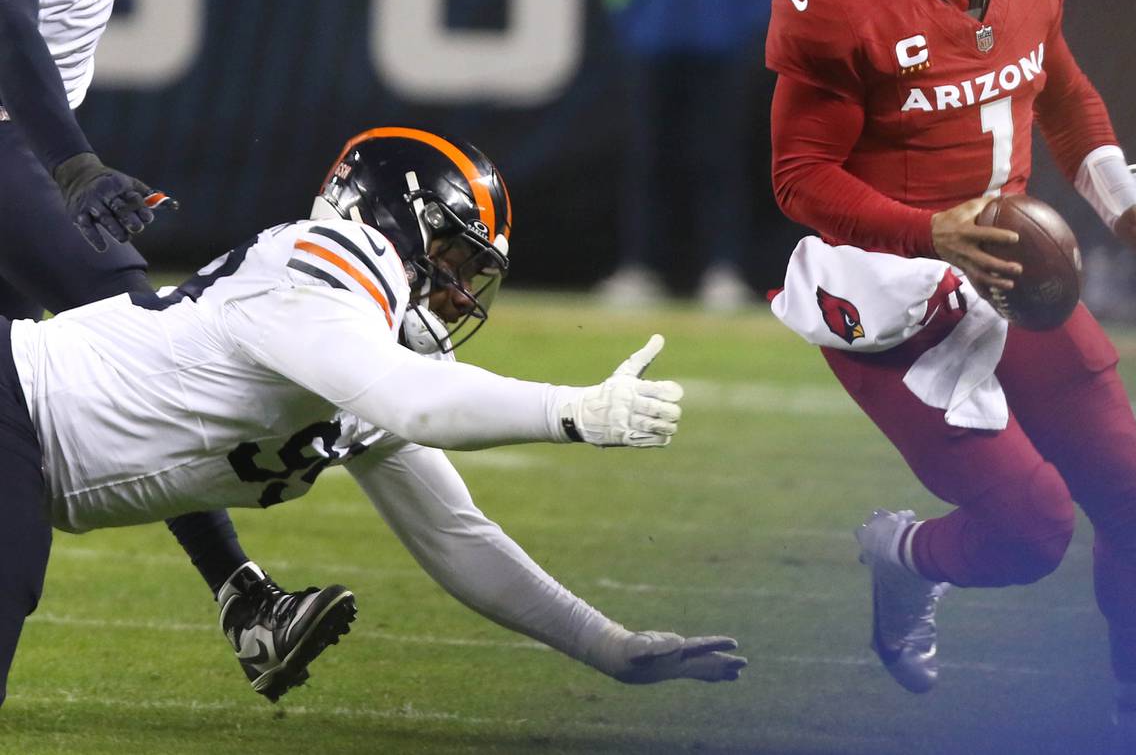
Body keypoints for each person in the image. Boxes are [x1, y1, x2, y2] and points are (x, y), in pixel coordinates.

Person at [765, 0, 1136, 755]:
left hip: (1012, 282)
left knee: (1131, 496)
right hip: (893, 296)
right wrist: (928, 230)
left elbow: (1056, 83)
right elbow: (799, 175)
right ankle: (907, 555)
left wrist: (1121, 204)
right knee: (1032, 533)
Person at [0, 126, 747, 708]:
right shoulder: (322, 258)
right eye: (454, 259)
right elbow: (414, 403)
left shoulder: (361, 350)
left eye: (474, 275)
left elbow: (457, 537)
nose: (461, 295)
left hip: (31, 450)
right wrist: (573, 410)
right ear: (389, 217)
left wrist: (607, 646)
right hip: (17, 406)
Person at [0, 0, 389, 699]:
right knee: (132, 319)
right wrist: (76, 167)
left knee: (13, 403)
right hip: (14, 127)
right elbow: (4, 29)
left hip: (32, 131)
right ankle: (244, 596)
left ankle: (244, 601)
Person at [596, 0, 787, 311]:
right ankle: (638, 270)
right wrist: (630, 25)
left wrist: (739, 31)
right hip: (652, 57)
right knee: (647, 162)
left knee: (719, 164)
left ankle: (721, 271)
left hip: (719, 61)